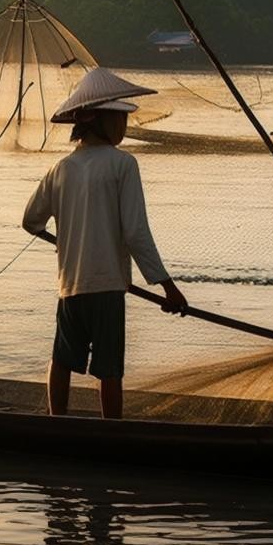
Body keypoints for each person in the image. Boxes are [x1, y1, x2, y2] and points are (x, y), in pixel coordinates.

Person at [22, 68, 187, 420]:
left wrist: (67, 243)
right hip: (108, 288)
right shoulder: (123, 165)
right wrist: (168, 288)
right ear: (102, 120)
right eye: (120, 119)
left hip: (70, 288)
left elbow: (30, 221)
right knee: (110, 369)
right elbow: (136, 233)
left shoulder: (61, 169)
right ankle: (112, 432)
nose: (124, 128)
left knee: (62, 358)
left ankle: (57, 422)